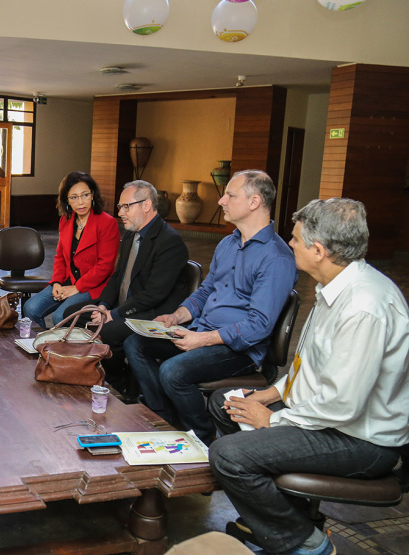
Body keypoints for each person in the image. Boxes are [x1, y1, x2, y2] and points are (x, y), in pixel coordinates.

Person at [208, 198, 409, 555]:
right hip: (329, 416)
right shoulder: (335, 286)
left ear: (318, 250)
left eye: (296, 239)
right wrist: (269, 394)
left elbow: (343, 404)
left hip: (360, 440)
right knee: (225, 403)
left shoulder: (364, 306)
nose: (290, 244)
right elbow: (313, 368)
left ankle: (305, 543)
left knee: (228, 455)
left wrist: (273, 419)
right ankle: (288, 518)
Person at [124, 170, 297, 444]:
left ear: (254, 202)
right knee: (136, 344)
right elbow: (205, 292)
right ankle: (167, 419)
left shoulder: (276, 258)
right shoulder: (228, 244)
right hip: (202, 331)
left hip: (239, 349)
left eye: (230, 195)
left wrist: (201, 340)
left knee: (173, 371)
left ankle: (204, 438)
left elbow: (259, 326)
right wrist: (177, 315)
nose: (221, 201)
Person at [64, 180, 189, 396]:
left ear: (147, 205)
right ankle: (106, 376)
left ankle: (118, 383)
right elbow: (117, 276)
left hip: (151, 314)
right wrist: (103, 306)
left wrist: (114, 314)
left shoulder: (170, 242)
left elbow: (153, 295)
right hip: (125, 306)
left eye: (126, 207)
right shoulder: (132, 234)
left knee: (107, 330)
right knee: (73, 314)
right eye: (120, 207)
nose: (120, 212)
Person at [23, 171, 120, 329]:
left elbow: (105, 266)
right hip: (67, 281)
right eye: (74, 197)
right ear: (67, 200)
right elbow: (60, 256)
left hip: (93, 286)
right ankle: (46, 346)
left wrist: (77, 288)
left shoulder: (107, 223)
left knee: (60, 317)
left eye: (85, 195)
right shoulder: (66, 220)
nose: (80, 202)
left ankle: (63, 350)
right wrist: (56, 282)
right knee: (30, 308)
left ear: (93, 195)